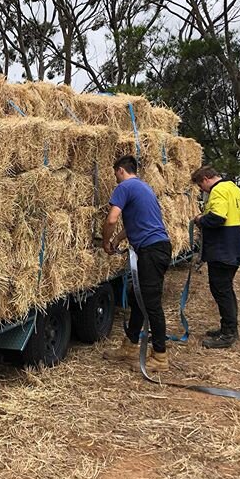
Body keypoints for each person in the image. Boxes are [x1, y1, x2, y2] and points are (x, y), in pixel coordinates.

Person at [102, 155, 172, 372]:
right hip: (157, 248)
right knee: (136, 296)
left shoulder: (125, 186)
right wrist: (118, 239)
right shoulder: (143, 187)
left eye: (115, 175)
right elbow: (136, 222)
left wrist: (106, 241)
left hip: (152, 251)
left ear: (121, 170)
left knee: (151, 303)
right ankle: (131, 345)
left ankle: (160, 357)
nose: (115, 180)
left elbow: (112, 219)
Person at [191, 166, 240, 348]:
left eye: (201, 185)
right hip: (235, 245)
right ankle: (228, 328)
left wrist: (200, 220)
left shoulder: (219, 190)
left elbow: (217, 218)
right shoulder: (233, 188)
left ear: (207, 178)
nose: (201, 189)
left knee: (221, 291)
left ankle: (228, 335)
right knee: (226, 290)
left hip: (223, 248)